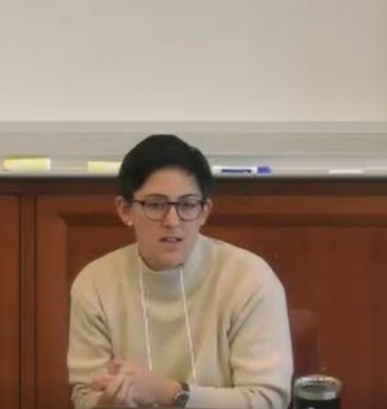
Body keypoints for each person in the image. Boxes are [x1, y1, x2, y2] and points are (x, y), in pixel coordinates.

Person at [68, 134, 292, 408]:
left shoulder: (249, 279)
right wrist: (108, 403)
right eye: (156, 205)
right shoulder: (95, 284)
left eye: (187, 204)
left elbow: (268, 401)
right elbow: (84, 396)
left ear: (204, 211)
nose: (172, 221)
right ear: (125, 210)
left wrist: (167, 391)